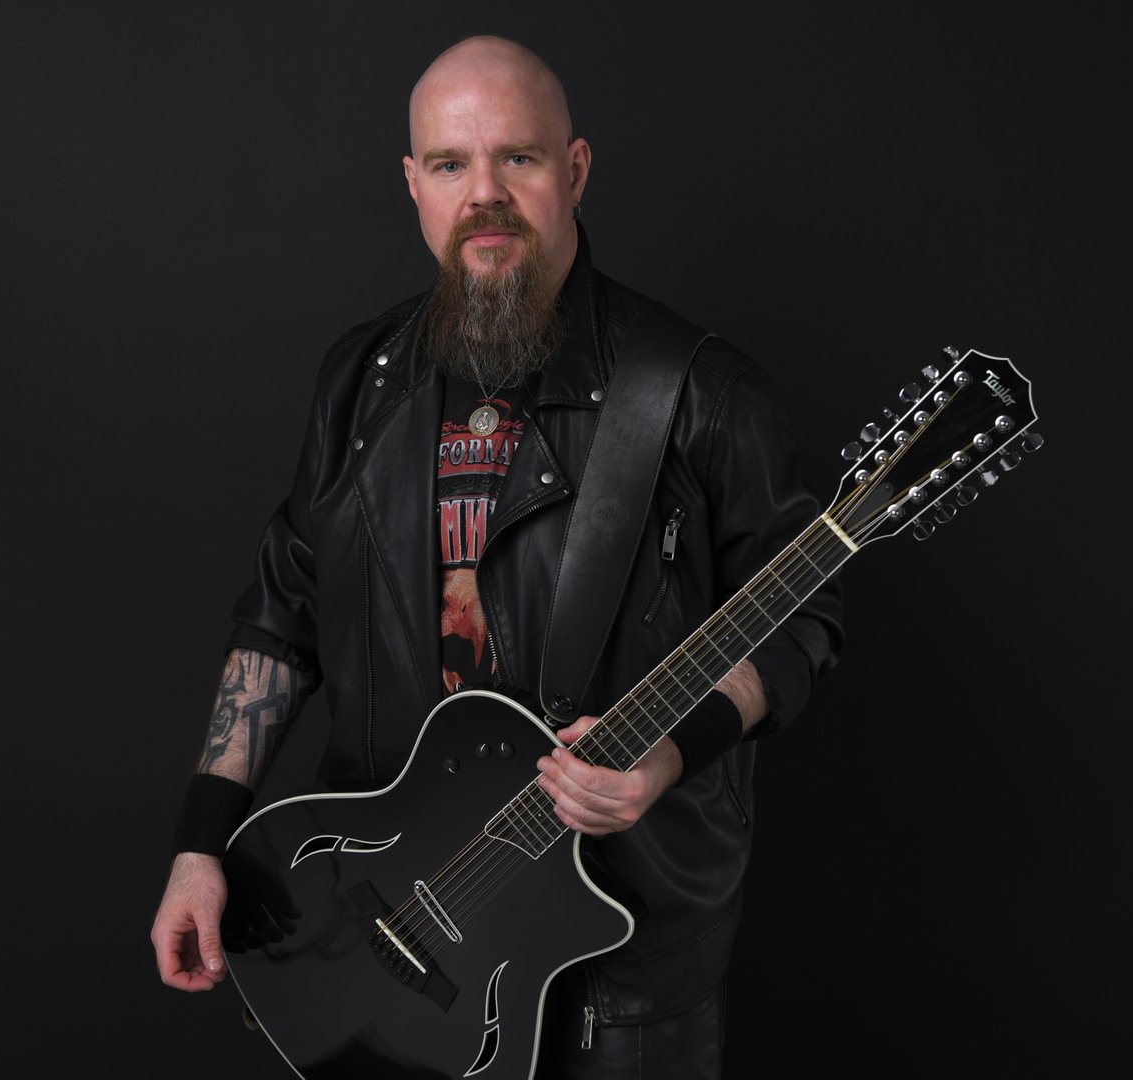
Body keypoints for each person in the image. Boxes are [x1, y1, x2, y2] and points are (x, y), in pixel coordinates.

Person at [150, 33, 844, 1079]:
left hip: (617, 974)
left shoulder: (698, 392)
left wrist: (674, 750)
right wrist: (203, 840)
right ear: (413, 185)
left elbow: (802, 618)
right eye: (449, 163)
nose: (484, 194)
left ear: (575, 170)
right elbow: (283, 612)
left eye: (517, 157)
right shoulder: (360, 382)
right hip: (387, 939)